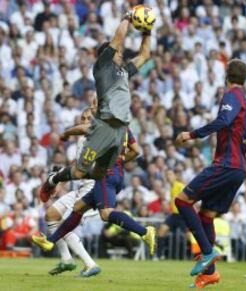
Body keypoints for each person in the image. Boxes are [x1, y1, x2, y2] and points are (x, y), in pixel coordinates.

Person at [39, 8, 152, 203]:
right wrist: (127, 17)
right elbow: (117, 39)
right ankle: (53, 179)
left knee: (99, 174)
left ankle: (71, 188)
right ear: (107, 55)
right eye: (118, 52)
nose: (121, 53)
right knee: (79, 171)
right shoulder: (102, 68)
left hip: (121, 129)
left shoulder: (123, 72)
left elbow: (143, 56)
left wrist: (147, 31)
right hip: (106, 125)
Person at [32, 113, 156, 263]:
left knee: (105, 214)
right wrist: (120, 160)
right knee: (78, 208)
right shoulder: (123, 126)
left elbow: (85, 129)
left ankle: (144, 231)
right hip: (116, 173)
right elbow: (136, 150)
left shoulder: (103, 125)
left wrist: (66, 133)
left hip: (105, 175)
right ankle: (51, 241)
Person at [174, 59, 246, 288]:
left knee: (182, 201)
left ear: (226, 75)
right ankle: (210, 274)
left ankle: (207, 253)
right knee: (206, 216)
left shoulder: (232, 95)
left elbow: (223, 120)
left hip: (226, 164)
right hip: (238, 167)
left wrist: (192, 134)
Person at [45, 108, 100, 277]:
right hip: (81, 187)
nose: (84, 121)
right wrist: (60, 181)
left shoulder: (97, 137)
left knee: (64, 224)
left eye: (88, 118)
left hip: (93, 188)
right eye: (82, 118)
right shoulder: (82, 139)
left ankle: (90, 264)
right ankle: (66, 259)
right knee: (51, 215)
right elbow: (77, 166)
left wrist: (57, 179)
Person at [155, 169, 187, 260]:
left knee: (190, 236)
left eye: (170, 174)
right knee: (161, 230)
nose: (168, 176)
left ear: (175, 176)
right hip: (174, 215)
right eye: (167, 175)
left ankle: (201, 254)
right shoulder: (170, 187)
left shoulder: (180, 186)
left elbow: (189, 196)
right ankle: (159, 255)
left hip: (182, 215)